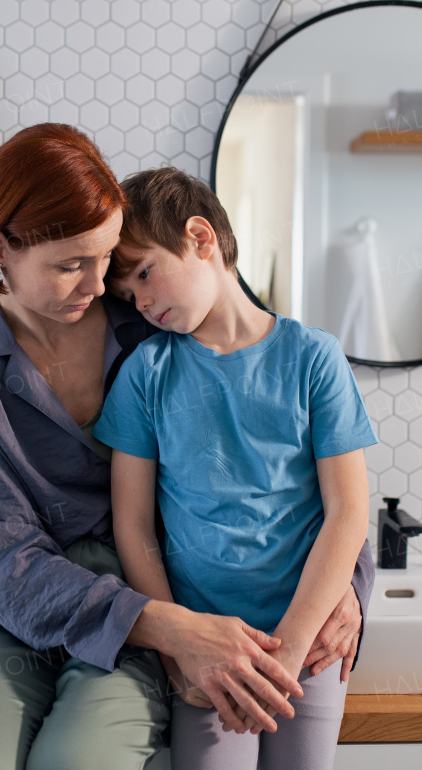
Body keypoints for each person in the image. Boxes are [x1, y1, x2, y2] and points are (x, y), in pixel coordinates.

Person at [0, 124, 375, 770]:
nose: (100, 282)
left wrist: (348, 587)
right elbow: (1, 563)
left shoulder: (156, 322)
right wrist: (169, 628)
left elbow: (305, 477)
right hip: (20, 612)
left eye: (107, 258)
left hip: (145, 594)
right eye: (71, 264)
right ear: (0, 250)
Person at [93, 167, 377, 770]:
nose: (140, 303)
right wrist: (179, 656)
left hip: (307, 643)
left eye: (144, 273)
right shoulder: (146, 373)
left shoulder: (313, 359)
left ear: (201, 238)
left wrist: (291, 652)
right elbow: (134, 527)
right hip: (205, 650)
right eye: (127, 296)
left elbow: (350, 510)